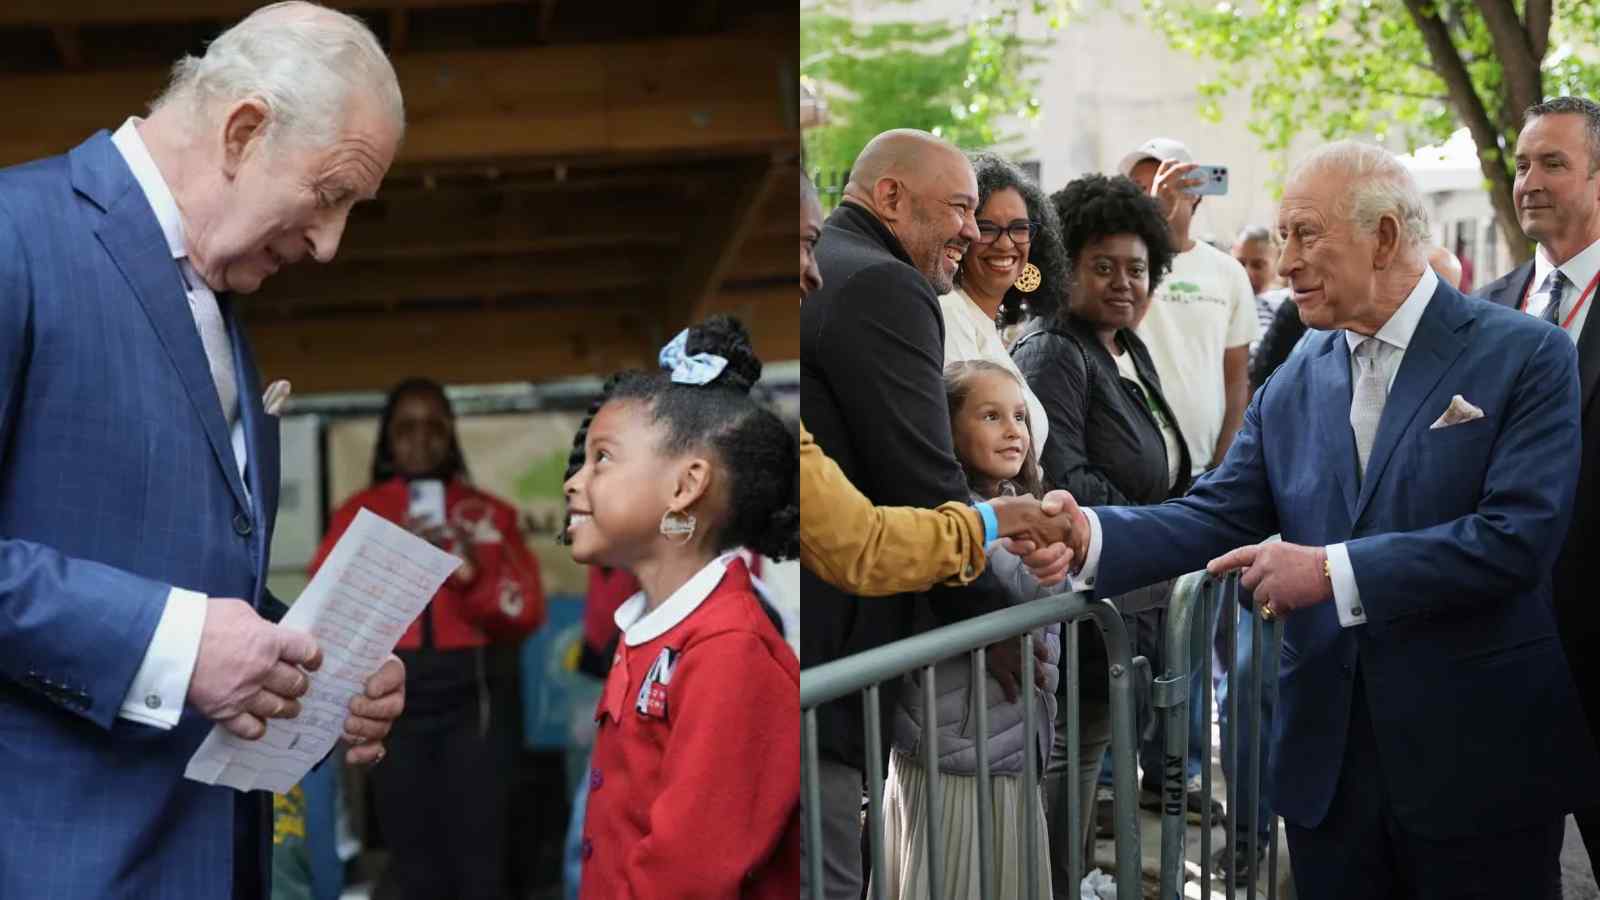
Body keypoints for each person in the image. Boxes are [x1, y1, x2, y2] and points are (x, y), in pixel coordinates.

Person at [1053, 140, 1600, 899]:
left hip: (1478, 766)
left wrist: (1328, 571)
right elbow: (1217, 512)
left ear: (1384, 237)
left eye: (1305, 235)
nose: (1286, 262)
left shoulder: (1526, 354)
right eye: (1282, 237)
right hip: (1328, 778)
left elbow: (1517, 539)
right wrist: (1086, 533)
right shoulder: (1296, 376)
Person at [0, 5, 406, 897]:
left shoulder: (218, 302)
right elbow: (182, 628)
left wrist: (316, 671)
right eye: (330, 194)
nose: (330, 245)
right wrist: (175, 646)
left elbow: (189, 580)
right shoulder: (13, 234)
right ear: (244, 131)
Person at [800, 130, 1057, 898]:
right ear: (889, 197)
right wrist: (996, 620)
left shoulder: (845, 268)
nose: (972, 233)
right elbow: (922, 481)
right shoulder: (883, 284)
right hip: (832, 651)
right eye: (961, 209)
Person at [563, 315, 799, 897]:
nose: (573, 482)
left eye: (602, 458)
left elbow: (687, 875)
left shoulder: (732, 652)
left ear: (685, 486)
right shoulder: (652, 628)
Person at [1009, 174, 1188, 892]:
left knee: (1093, 749)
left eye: (1137, 269)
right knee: (1074, 754)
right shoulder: (1054, 351)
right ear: (1064, 268)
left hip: (1133, 588)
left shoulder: (1124, 347)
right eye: (1103, 266)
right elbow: (1064, 481)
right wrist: (1166, 531)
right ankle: (1063, 883)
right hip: (1087, 592)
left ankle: (1079, 876)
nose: (1123, 283)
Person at [310, 379, 546, 900]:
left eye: (435, 425)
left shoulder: (488, 515)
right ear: (387, 439)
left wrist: (471, 575)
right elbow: (327, 612)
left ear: (452, 434)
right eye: (406, 427)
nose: (421, 438)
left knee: (482, 855)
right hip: (391, 701)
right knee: (412, 855)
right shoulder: (358, 514)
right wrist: (394, 559)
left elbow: (527, 612)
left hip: (477, 701)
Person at [797, 171, 1078, 599]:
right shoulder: (913, 300)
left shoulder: (988, 327)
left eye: (1020, 228)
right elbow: (899, 502)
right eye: (980, 221)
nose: (997, 240)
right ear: (891, 195)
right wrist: (987, 586)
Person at [875, 360, 1058, 900]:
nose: (1013, 431)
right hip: (958, 749)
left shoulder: (1023, 504)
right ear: (945, 428)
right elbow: (1034, 590)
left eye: (1020, 417)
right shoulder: (955, 520)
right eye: (991, 416)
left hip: (1003, 743)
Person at [1475, 95, 1600, 869]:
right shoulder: (1483, 310)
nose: (1530, 181)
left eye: (1553, 162)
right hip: (1497, 660)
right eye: (1522, 164)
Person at [938, 152, 1061, 453]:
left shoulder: (984, 322)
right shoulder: (950, 312)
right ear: (961, 233)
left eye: (1019, 228)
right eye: (987, 228)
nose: (1005, 243)